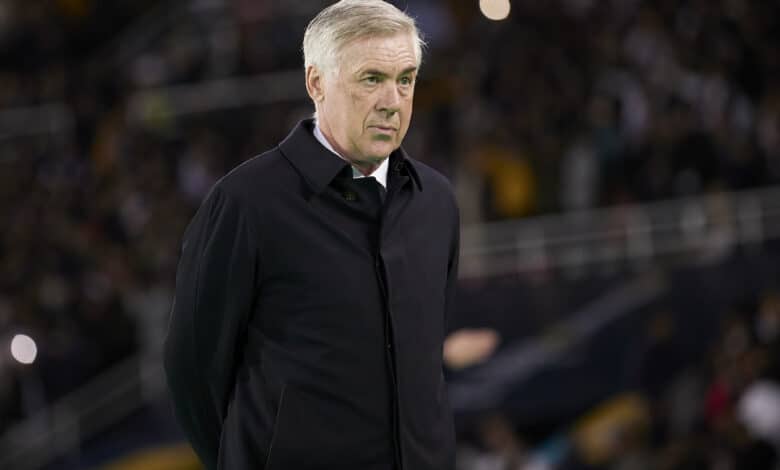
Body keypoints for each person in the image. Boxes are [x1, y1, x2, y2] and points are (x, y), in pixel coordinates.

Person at [163, 1, 460, 469]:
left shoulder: (436, 201)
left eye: (405, 79)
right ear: (316, 83)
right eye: (371, 79)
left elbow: (425, 363)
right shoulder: (246, 202)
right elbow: (192, 371)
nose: (392, 101)